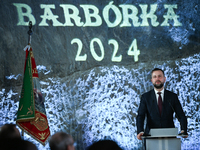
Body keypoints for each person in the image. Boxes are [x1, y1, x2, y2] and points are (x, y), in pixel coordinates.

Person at [136, 68, 188, 140]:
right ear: (152, 80)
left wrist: (183, 130)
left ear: (164, 79)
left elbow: (181, 115)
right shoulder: (145, 97)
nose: (157, 79)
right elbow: (140, 116)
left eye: (160, 76)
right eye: (155, 77)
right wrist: (140, 131)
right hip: (151, 137)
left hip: (170, 136)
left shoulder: (172, 96)